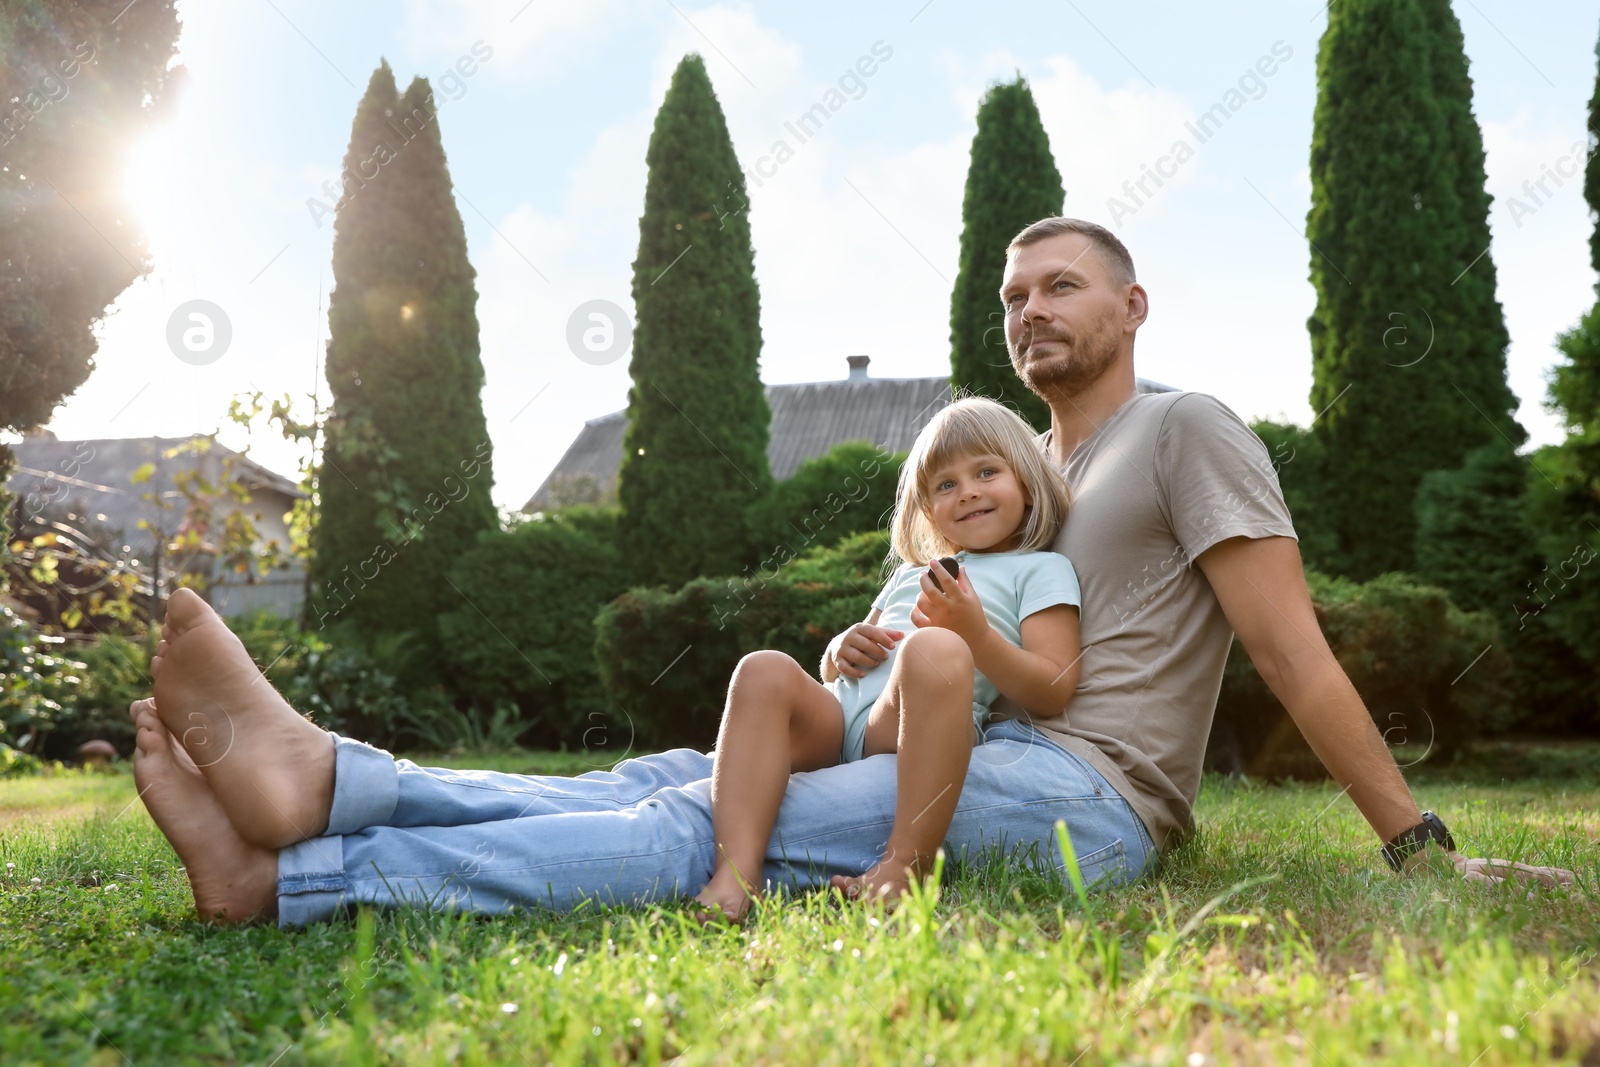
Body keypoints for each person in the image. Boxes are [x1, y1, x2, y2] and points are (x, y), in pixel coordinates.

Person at [131, 216, 1575, 927]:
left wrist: (1412, 839)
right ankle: (327, 780)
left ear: (1134, 304)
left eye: (1061, 284)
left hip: (1085, 790)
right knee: (660, 771)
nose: (1032, 311)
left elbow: (1293, 647)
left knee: (704, 828)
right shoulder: (1030, 484)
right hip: (980, 747)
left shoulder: (1186, 430)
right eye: (1013, 296)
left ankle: (299, 875)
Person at [692, 397, 1081, 922]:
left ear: (1029, 484)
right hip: (838, 723)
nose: (966, 491)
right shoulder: (908, 574)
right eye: (945, 485)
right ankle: (736, 876)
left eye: (986, 472)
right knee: (762, 667)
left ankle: (905, 866)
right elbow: (847, 661)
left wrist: (975, 635)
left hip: (910, 730)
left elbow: (1055, 685)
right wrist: (838, 649)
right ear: (928, 510)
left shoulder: (1040, 569)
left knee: (936, 648)